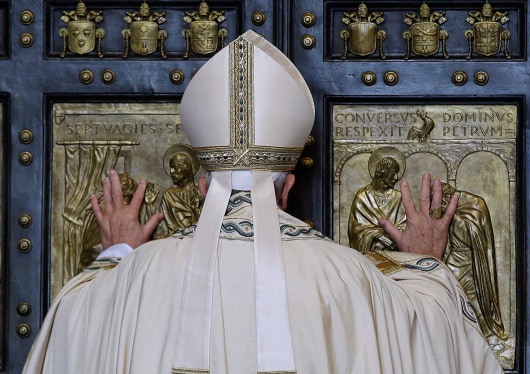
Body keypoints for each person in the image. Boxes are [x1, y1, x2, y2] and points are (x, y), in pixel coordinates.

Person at [23, 30, 502, 373]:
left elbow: (71, 326)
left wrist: (118, 256)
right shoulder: (347, 273)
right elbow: (429, 333)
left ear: (202, 188)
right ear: (287, 189)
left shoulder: (135, 277)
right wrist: (423, 263)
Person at [440, 182, 507, 340]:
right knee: (449, 291)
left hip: (470, 260)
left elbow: (471, 235)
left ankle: (483, 333)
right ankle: (453, 333)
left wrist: (452, 216)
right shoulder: (446, 207)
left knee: (472, 296)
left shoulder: (474, 204)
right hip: (454, 257)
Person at [348, 147, 406, 252]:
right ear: (383, 172)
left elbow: (406, 227)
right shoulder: (363, 196)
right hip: (369, 256)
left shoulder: (398, 197)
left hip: (396, 254)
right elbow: (356, 230)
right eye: (393, 173)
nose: (396, 177)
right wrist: (379, 238)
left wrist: (389, 239)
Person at [156, 144, 203, 238]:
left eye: (175, 167)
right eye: (170, 168)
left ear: (187, 168)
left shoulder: (199, 194)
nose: (171, 171)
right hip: (173, 242)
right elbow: (161, 226)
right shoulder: (168, 195)